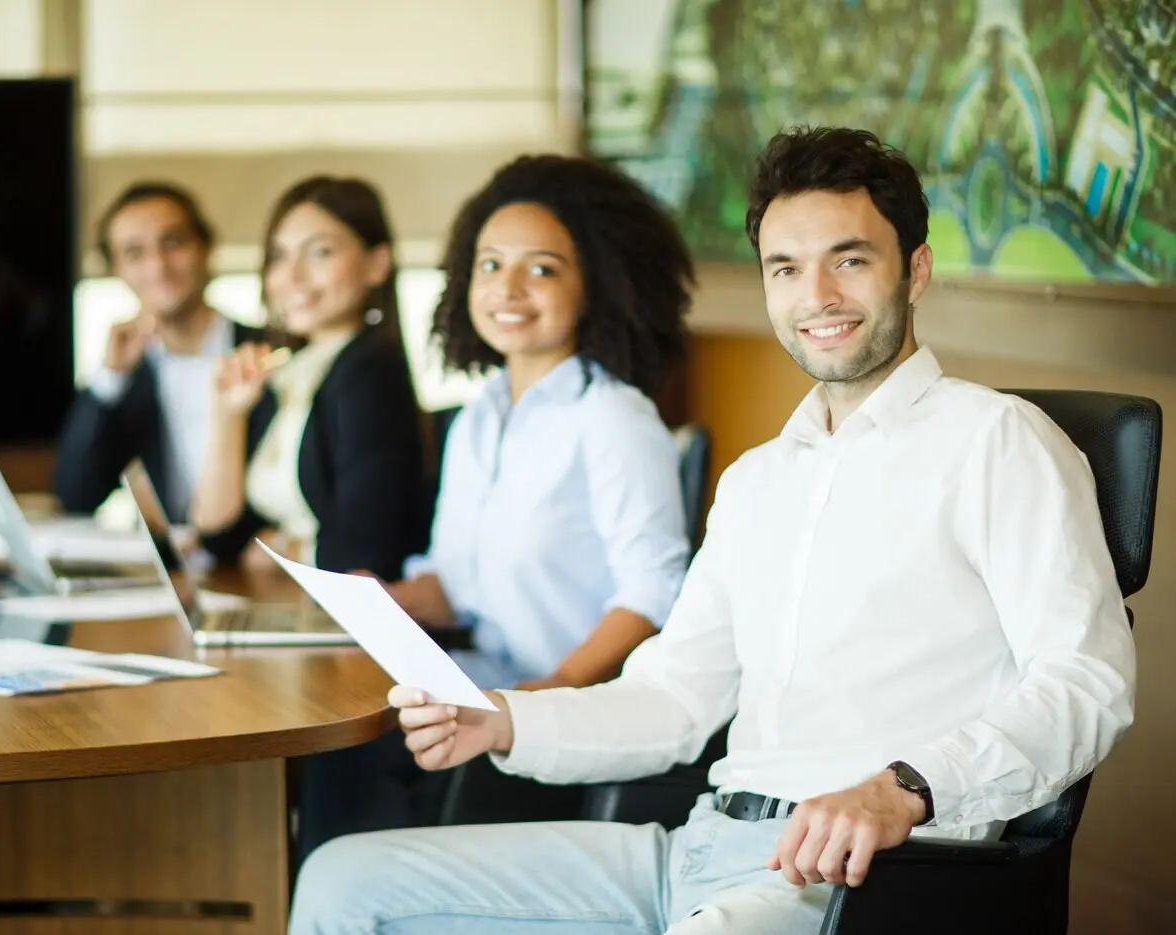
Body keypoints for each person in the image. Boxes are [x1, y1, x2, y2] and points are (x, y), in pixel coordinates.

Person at [288, 126, 1137, 934]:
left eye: (850, 260)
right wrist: (503, 720)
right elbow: (673, 700)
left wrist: (905, 787)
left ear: (914, 270)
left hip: (865, 875)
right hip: (698, 845)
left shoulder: (998, 441)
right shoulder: (757, 481)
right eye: (786, 268)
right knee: (343, 880)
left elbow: (1087, 680)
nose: (819, 298)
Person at [294, 154, 693, 859]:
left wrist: (553, 691)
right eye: (489, 265)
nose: (507, 288)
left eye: (541, 268)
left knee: (352, 763)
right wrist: (377, 600)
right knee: (329, 730)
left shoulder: (614, 417)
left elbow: (655, 592)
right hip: (481, 683)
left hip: (552, 718)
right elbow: (458, 583)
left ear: (592, 285)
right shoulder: (480, 415)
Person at [189, 176, 426, 580]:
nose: (293, 276)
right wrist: (227, 413)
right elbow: (217, 535)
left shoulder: (369, 373)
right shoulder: (290, 370)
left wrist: (280, 546)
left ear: (377, 264)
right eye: (279, 257)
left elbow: (364, 553)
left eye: (319, 253)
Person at [54, 182, 257, 521]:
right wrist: (109, 379)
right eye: (135, 254)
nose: (157, 266)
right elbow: (76, 495)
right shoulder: (127, 378)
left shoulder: (266, 350)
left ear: (204, 247)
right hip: (172, 567)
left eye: (173, 243)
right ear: (117, 270)